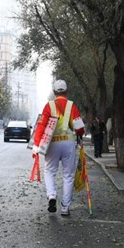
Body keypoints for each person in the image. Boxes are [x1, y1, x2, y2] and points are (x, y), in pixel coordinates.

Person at [32, 79, 85, 216]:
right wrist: (80, 134)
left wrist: (37, 144)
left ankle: (51, 196)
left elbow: (41, 126)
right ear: (66, 91)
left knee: (50, 171)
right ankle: (65, 207)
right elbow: (79, 127)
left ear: (54, 92)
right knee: (68, 175)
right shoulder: (72, 106)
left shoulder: (49, 106)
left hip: (52, 144)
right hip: (68, 144)